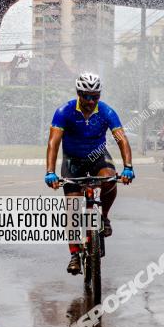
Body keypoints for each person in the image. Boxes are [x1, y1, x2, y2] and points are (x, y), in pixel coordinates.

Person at [45, 72, 135, 275]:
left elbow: (122, 139)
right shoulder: (64, 111)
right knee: (73, 207)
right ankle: (75, 254)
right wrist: (50, 171)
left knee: (110, 177)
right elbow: (53, 143)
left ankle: (104, 217)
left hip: (98, 157)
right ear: (78, 93)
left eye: (96, 96)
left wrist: (128, 167)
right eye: (86, 96)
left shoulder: (106, 111)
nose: (91, 100)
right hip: (72, 161)